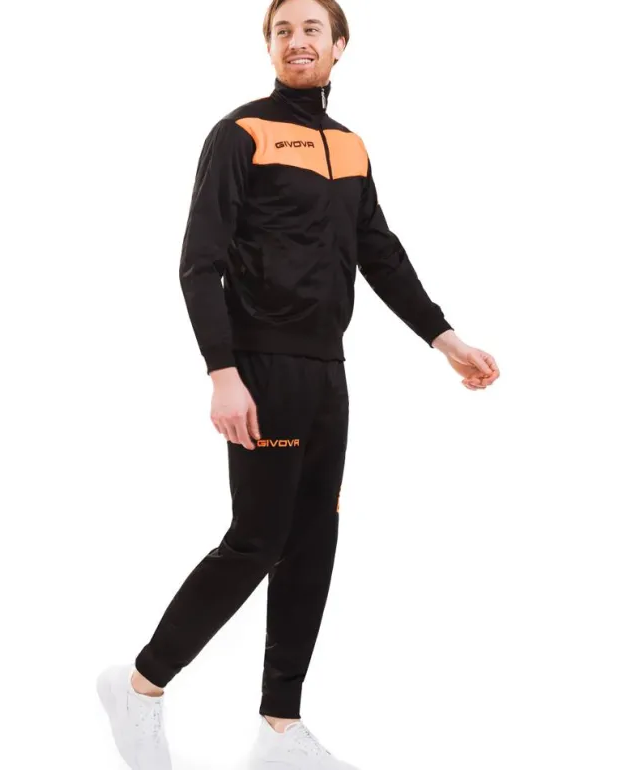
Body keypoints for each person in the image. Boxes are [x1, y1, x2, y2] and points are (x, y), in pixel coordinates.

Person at [97, 0, 500, 767]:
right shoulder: (241, 133)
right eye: (283, 30)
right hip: (261, 368)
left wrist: (443, 337)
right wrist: (222, 372)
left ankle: (279, 729)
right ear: (271, 48)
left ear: (339, 46)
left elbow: (379, 252)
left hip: (327, 372)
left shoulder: (350, 147)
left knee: (314, 541)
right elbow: (199, 263)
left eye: (312, 29)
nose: (297, 40)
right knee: (257, 541)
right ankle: (140, 686)